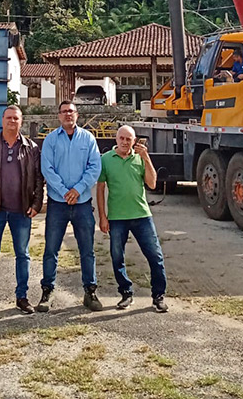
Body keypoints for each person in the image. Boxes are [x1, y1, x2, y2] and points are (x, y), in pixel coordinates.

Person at [0, 105, 44, 316]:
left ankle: (22, 297)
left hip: (21, 211)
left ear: (21, 121)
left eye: (16, 118)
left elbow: (39, 179)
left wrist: (36, 204)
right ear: (2, 120)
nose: (12, 121)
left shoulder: (31, 147)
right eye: (9, 118)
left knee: (22, 254)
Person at [37, 101, 104, 312]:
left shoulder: (88, 139)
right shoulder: (50, 140)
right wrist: (65, 191)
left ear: (77, 115)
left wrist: (78, 189)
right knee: (51, 249)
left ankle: (90, 291)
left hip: (82, 203)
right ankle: (47, 291)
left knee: (87, 250)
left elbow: (95, 167)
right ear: (58, 115)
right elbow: (46, 168)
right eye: (64, 111)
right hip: (58, 203)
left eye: (72, 111)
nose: (68, 114)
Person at [96, 126, 169, 312]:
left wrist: (146, 158)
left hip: (142, 215)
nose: (124, 142)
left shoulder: (140, 158)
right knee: (117, 257)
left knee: (155, 256)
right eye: (121, 138)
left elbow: (152, 183)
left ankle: (158, 296)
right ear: (116, 139)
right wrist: (102, 216)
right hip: (117, 217)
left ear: (134, 141)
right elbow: (100, 188)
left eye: (129, 139)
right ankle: (126, 293)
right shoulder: (105, 160)